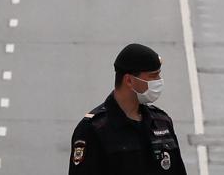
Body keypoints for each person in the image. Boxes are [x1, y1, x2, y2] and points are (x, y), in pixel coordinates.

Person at [69, 43, 187, 174]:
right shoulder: (93, 130)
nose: (159, 81)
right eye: (153, 76)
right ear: (129, 81)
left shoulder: (162, 123)